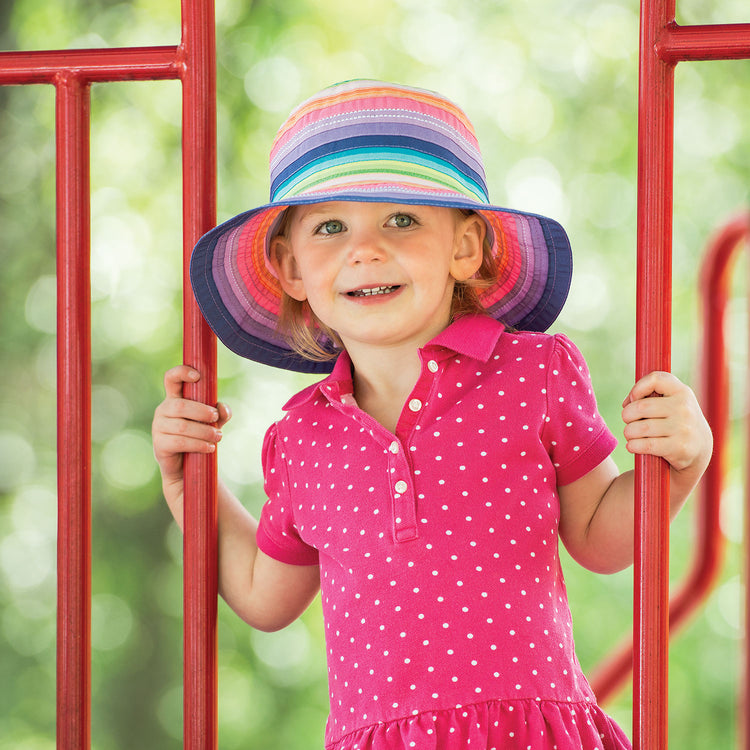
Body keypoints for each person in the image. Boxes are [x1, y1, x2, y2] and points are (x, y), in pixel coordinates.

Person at [152, 80, 712, 750]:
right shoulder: (301, 436)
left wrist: (677, 466)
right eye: (330, 227)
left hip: (530, 731)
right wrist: (192, 487)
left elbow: (600, 539)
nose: (366, 248)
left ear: (466, 249)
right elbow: (264, 597)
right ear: (289, 266)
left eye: (402, 219)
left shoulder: (532, 372)